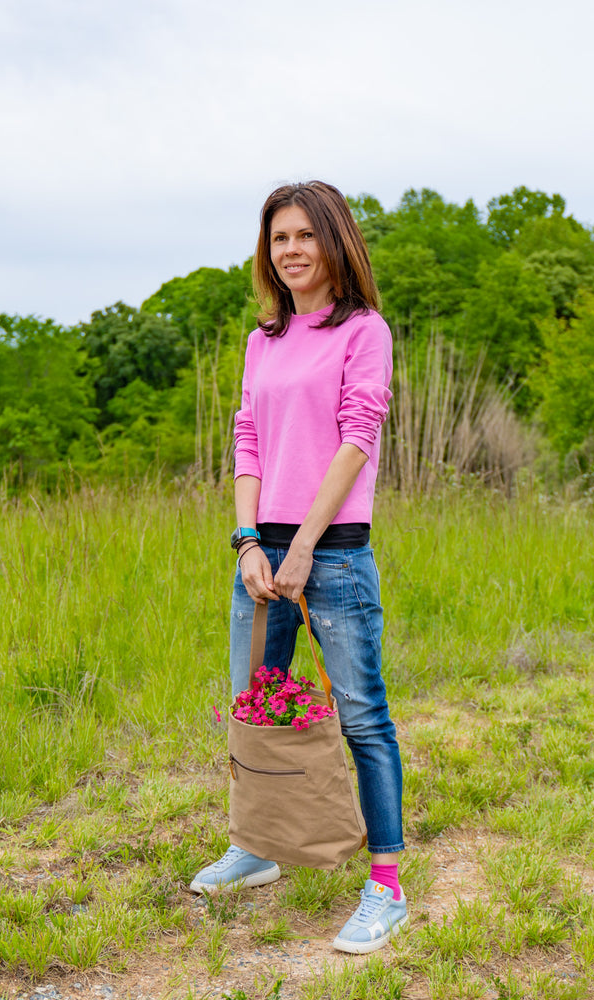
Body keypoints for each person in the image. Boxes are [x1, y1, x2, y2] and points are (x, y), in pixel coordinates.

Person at [189, 180, 407, 954]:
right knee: (255, 703)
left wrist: (307, 545)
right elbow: (246, 438)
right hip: (261, 549)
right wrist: (248, 539)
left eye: (303, 237)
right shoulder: (263, 338)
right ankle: (257, 847)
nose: (290, 252)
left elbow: (357, 438)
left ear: (334, 242)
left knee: (361, 716)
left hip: (334, 550)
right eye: (278, 239)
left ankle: (385, 883)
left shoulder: (364, 330)